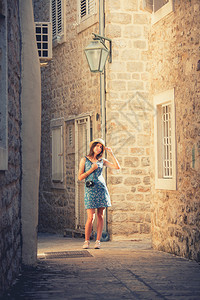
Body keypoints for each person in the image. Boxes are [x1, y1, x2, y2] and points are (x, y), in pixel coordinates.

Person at [78, 138, 120, 249]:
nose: (99, 148)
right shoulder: (84, 160)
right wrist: (91, 170)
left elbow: (117, 167)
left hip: (101, 189)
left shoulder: (102, 160)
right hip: (90, 190)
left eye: (101, 147)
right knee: (90, 217)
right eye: (97, 146)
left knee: (100, 216)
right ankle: (86, 241)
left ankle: (98, 241)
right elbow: (80, 177)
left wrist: (111, 153)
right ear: (92, 147)